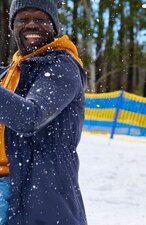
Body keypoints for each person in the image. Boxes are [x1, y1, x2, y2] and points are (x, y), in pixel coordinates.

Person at [0, 0, 87, 224]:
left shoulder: (61, 67)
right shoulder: (11, 73)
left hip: (38, 196)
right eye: (23, 19)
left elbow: (30, 117)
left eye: (40, 19)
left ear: (54, 26)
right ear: (13, 26)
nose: (31, 25)